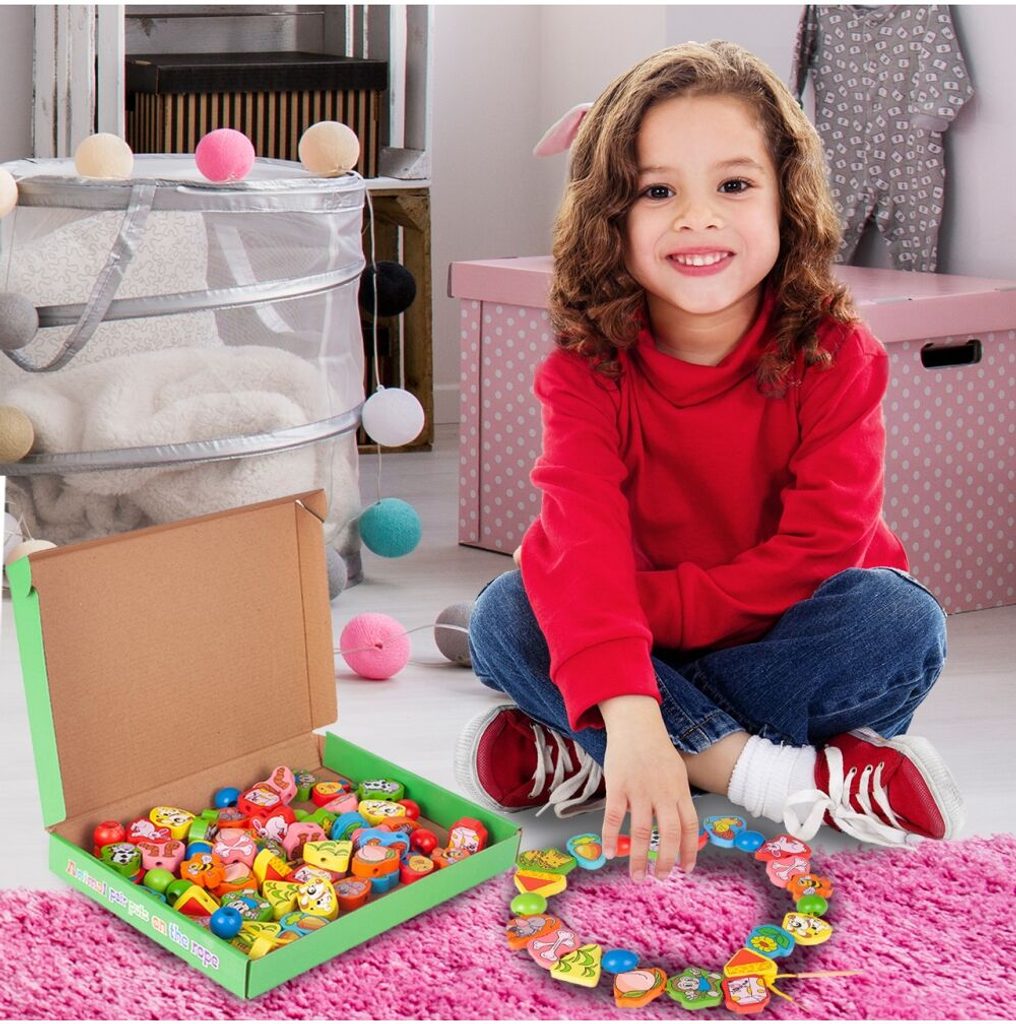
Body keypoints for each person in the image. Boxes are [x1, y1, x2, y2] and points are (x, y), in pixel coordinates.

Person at [453, 41, 962, 883]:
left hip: (780, 632)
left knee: (901, 624)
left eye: (733, 185)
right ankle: (781, 777)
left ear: (787, 199)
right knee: (506, 614)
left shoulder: (838, 354)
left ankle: (591, 747)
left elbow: (820, 553)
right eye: (658, 191)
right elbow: (582, 543)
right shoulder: (584, 371)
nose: (698, 218)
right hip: (637, 644)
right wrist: (625, 676)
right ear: (611, 216)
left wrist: (635, 653)